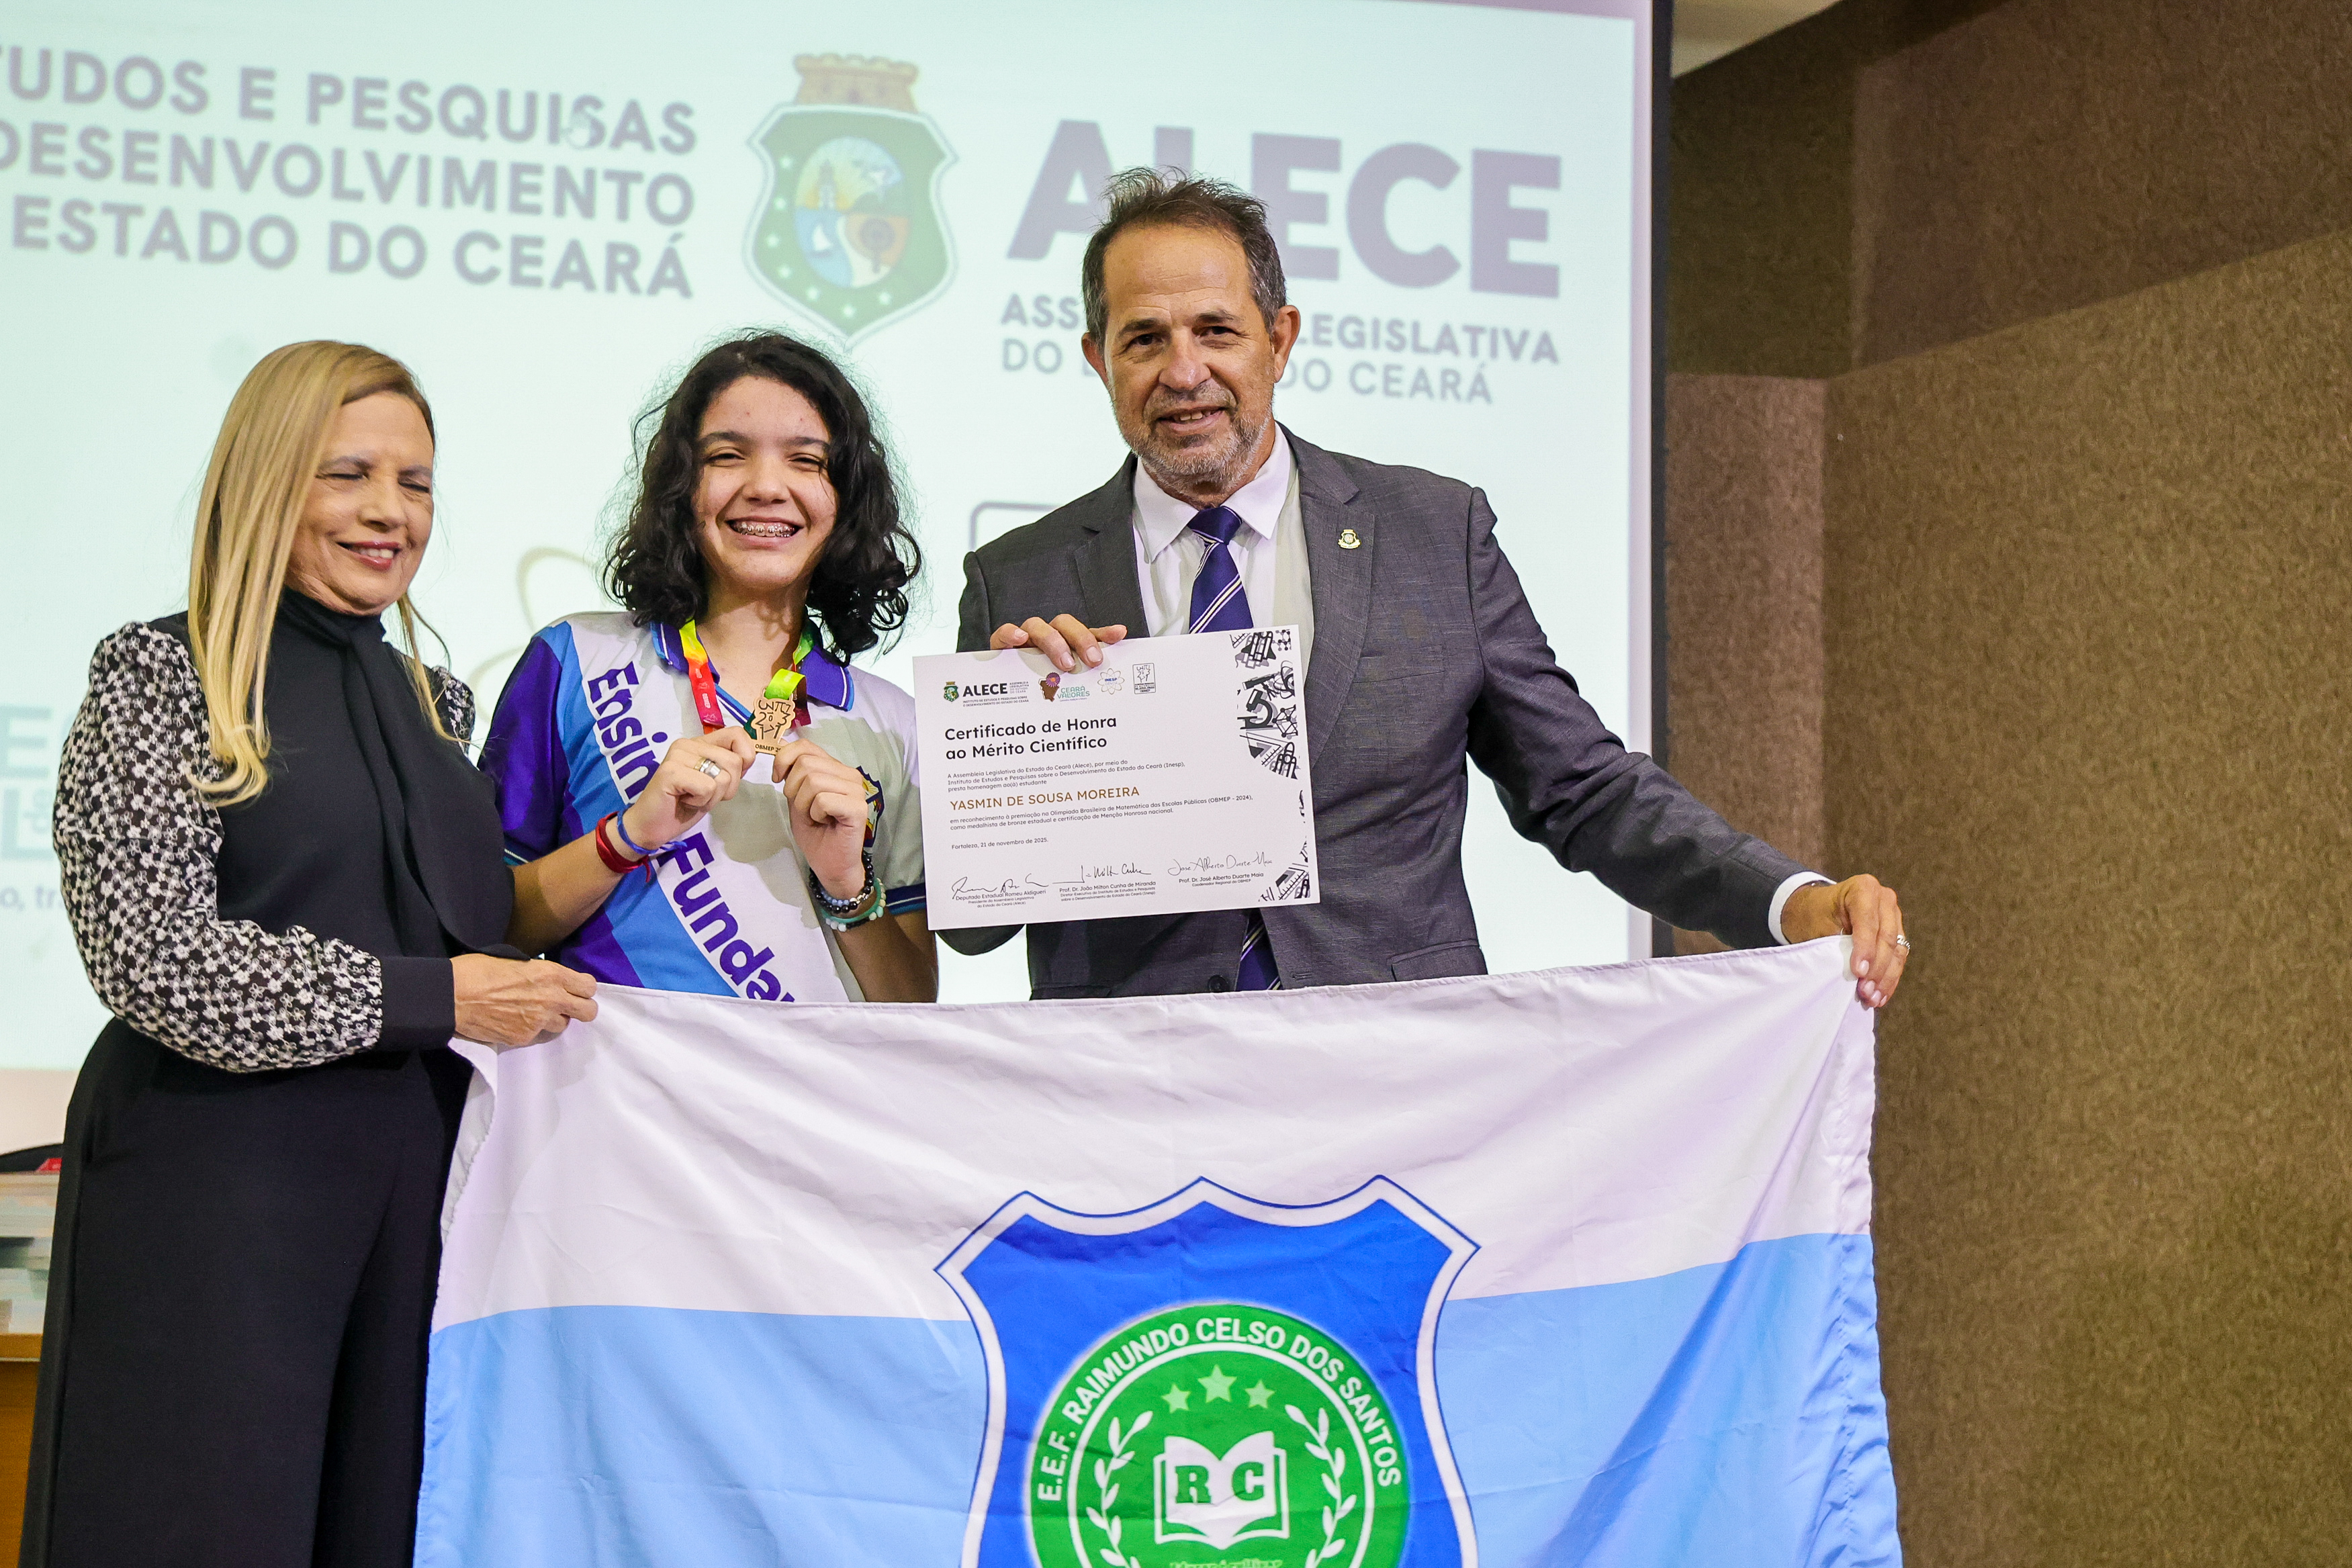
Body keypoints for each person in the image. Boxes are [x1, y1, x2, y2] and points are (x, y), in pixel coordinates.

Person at [947, 171, 1911, 1004]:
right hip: (1131, 1086)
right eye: (1144, 339)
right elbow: (974, 927)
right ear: (1096, 358)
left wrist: (1788, 901)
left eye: (1216, 330)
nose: (1183, 370)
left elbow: (1583, 790)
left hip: (1402, 1074)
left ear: (1279, 339)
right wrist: (1012, 763)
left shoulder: (1433, 533)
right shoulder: (1018, 578)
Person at [28, 342, 598, 1568]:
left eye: (417, 482)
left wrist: (627, 837)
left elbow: (469, 929)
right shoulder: (160, 674)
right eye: (349, 474)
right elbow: (152, 959)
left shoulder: (437, 702)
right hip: (214, 1198)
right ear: (267, 479)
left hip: (409, 1210)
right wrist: (431, 997)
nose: (391, 511)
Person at [479, 332, 935, 1003]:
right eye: (727, 456)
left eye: (806, 460)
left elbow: (912, 1005)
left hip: (816, 1074)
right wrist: (626, 837)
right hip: (615, 1070)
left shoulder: (895, 724)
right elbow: (487, 933)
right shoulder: (573, 660)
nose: (767, 487)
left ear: (845, 497)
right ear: (681, 486)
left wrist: (848, 886)